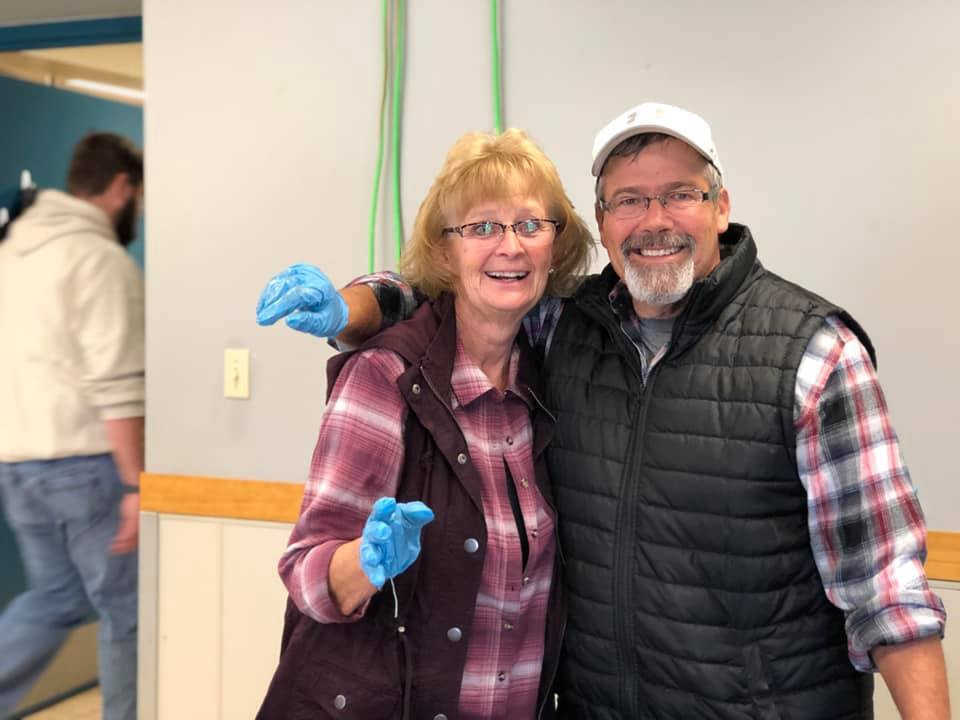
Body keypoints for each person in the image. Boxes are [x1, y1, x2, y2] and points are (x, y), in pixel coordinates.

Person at [256, 102, 951, 719]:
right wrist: (352, 307)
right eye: (628, 201)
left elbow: (888, 590)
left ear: (721, 206)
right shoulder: (570, 330)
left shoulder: (813, 354)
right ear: (601, 222)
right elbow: (455, 291)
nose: (655, 221)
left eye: (680, 194)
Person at [255, 129, 594, 719]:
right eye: (482, 227)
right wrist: (362, 563)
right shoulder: (385, 378)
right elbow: (306, 572)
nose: (510, 246)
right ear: (444, 253)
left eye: (529, 225)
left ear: (555, 246)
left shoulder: (546, 377)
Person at [0, 133, 144, 720]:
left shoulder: (11, 252)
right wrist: (134, 483)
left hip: (16, 464)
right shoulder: (99, 259)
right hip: (86, 468)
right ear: (121, 187)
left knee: (55, 597)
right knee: (127, 610)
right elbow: (118, 385)